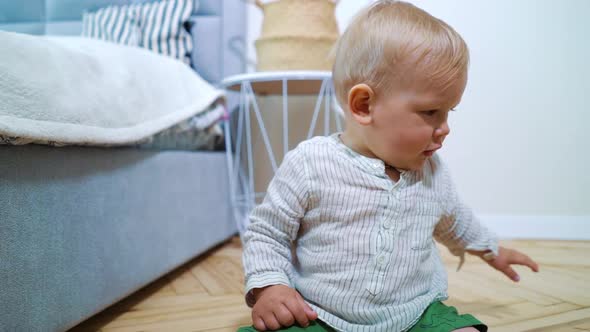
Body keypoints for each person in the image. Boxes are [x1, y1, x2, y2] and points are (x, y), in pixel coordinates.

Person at [237, 1, 539, 331]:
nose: (445, 127)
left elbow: (455, 220)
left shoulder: (433, 173)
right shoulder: (310, 164)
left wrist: (491, 249)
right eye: (430, 112)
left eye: (449, 112)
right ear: (364, 105)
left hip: (415, 311)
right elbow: (268, 233)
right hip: (319, 312)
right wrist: (271, 286)